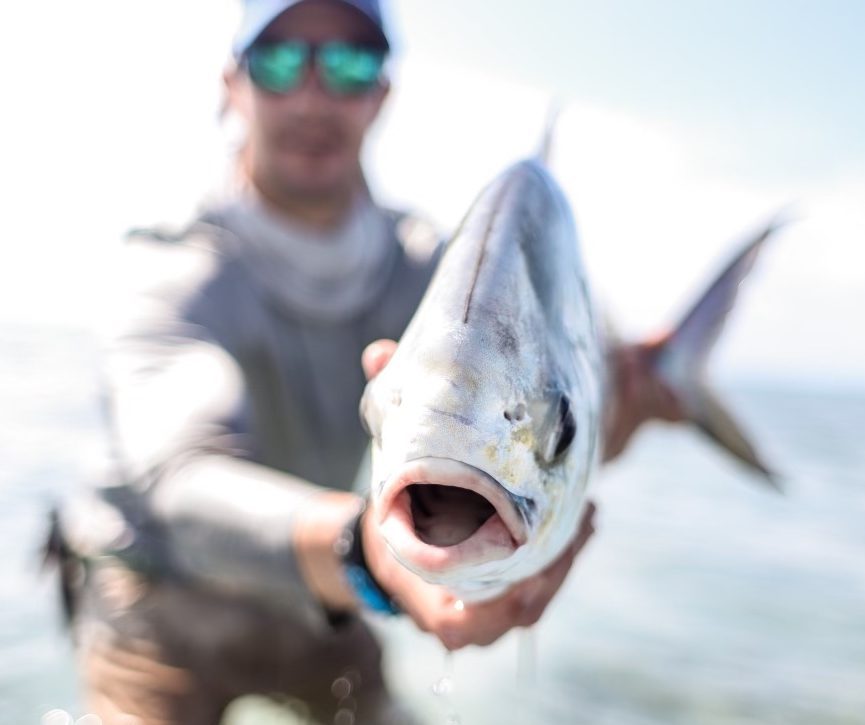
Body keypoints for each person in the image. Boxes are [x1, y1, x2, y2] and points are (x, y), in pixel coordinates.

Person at [52, 1, 597, 722]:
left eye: (347, 65)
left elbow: (546, 426)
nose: (313, 96)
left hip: (328, 599)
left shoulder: (431, 271)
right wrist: (367, 554)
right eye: (278, 62)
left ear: (382, 93)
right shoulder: (171, 259)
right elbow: (179, 479)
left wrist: (633, 400)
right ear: (231, 85)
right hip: (157, 592)